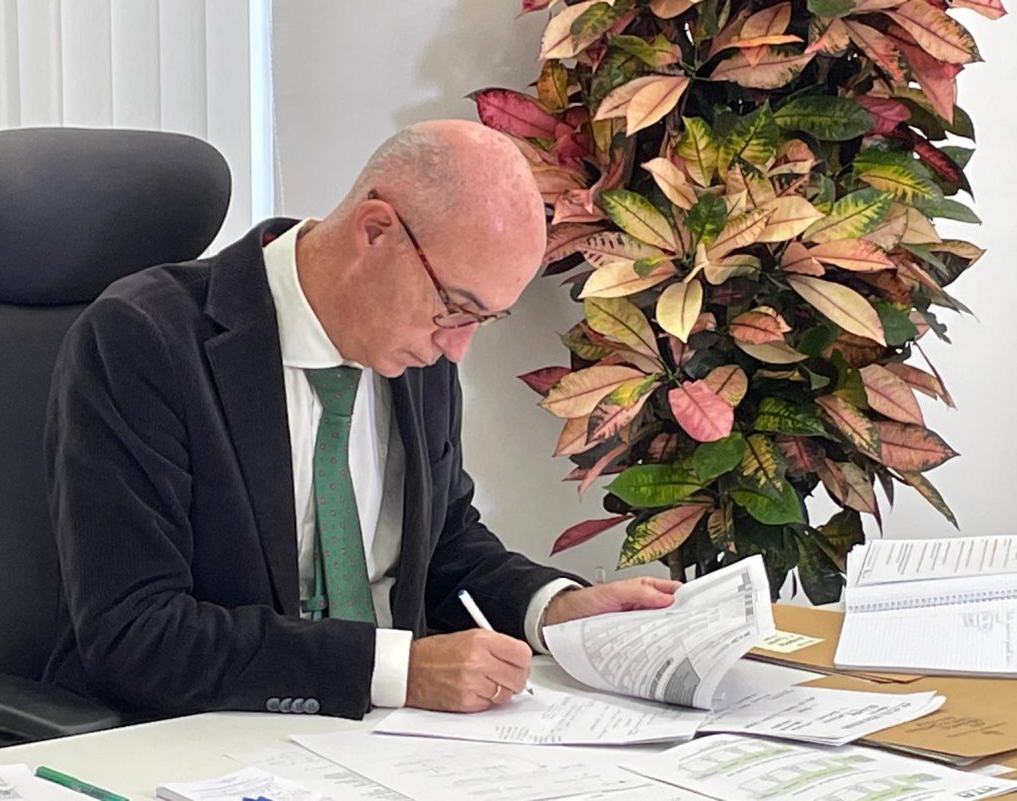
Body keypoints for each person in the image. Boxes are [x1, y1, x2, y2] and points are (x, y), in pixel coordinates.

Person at [43, 119, 679, 720]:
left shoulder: (418, 349)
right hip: (200, 736)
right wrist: (394, 670)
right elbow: (136, 630)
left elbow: (446, 546)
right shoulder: (144, 339)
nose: (457, 348)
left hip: (389, 744)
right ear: (375, 231)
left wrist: (555, 610)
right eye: (456, 307)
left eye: (483, 320)